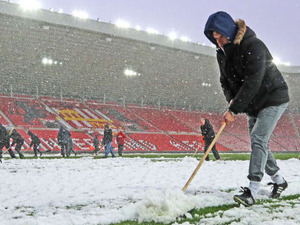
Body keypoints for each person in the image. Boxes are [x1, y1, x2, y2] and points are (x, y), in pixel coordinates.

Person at [204, 11, 289, 206]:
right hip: (253, 103)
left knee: (259, 138)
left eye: (221, 36)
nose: (218, 42)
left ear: (229, 31)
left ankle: (252, 190)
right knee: (260, 142)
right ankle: (280, 181)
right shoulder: (222, 53)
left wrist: (234, 111)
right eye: (214, 38)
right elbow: (224, 81)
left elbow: (253, 81)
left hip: (272, 97)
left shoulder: (254, 46)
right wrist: (231, 101)